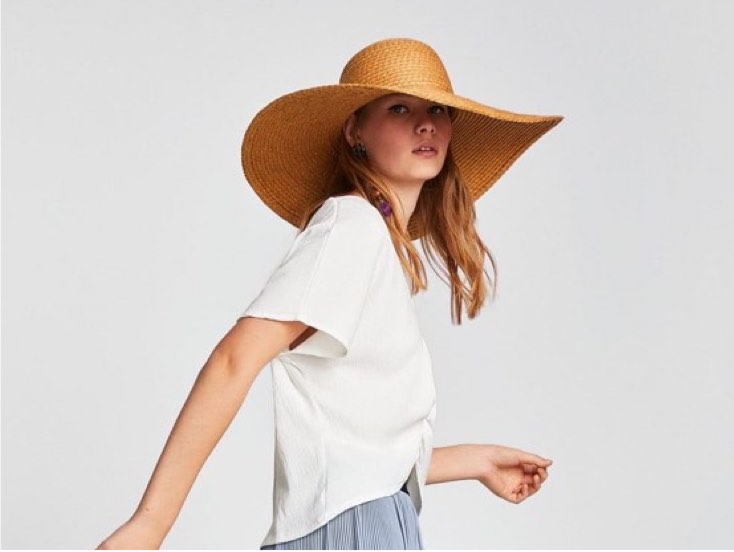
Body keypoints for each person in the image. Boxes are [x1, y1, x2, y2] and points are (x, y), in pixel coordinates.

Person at [96, 37, 563, 550]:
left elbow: (356, 457)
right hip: (355, 529)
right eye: (399, 108)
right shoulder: (352, 226)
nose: (426, 124)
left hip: (368, 521)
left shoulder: (373, 242)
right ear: (355, 131)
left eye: (436, 110)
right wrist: (151, 524)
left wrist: (476, 461)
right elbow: (235, 358)